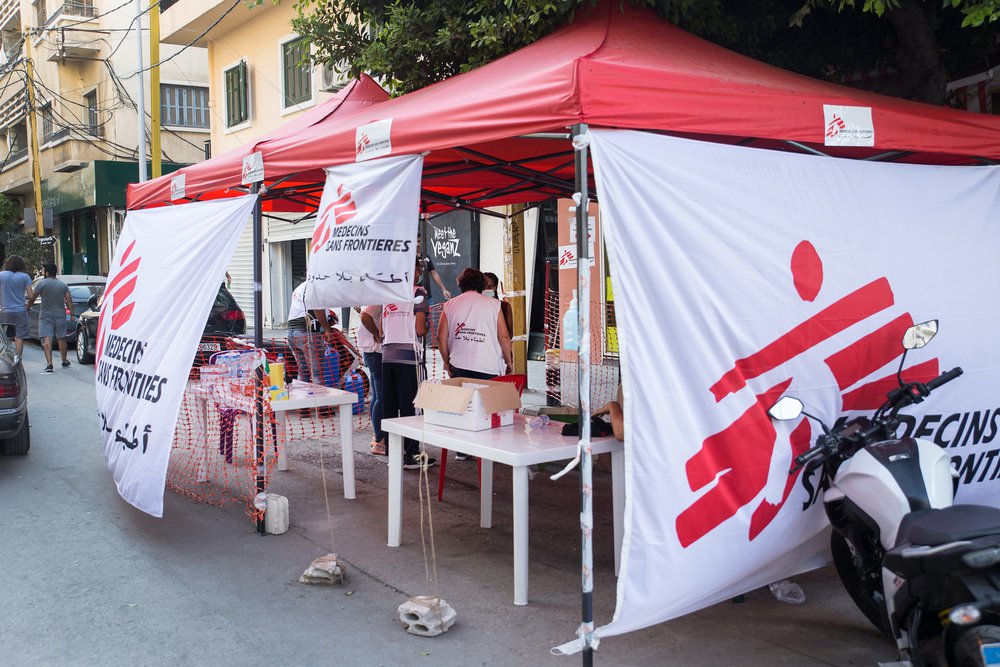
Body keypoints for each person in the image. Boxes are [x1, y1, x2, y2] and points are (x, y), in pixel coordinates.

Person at [380, 258, 436, 469]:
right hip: (408, 356)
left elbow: (380, 328)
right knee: (410, 405)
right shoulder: (418, 293)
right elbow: (421, 329)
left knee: (390, 405)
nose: (420, 271)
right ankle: (411, 453)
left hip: (387, 354)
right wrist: (426, 327)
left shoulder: (388, 293)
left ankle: (392, 452)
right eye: (418, 268)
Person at [437, 268, 512, 380]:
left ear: (461, 284)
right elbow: (504, 337)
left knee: (463, 397)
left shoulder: (449, 305)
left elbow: (441, 338)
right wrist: (509, 361)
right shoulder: (494, 305)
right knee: (485, 397)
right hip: (488, 366)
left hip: (458, 365)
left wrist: (446, 362)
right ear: (482, 284)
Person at [287, 281, 335, 385]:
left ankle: (303, 399)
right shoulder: (315, 286)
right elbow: (317, 309)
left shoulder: (301, 286)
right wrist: (327, 328)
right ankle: (319, 400)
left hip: (292, 332)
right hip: (307, 333)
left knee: (303, 372)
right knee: (317, 373)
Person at [27, 263, 73, 372]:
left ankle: (49, 364)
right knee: (61, 338)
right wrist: (72, 312)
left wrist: (27, 307)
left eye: (43, 271)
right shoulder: (63, 285)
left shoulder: (41, 284)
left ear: (47, 272)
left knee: (47, 338)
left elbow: (33, 298)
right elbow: (69, 299)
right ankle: (64, 361)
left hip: (45, 316)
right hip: (60, 315)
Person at [357, 304, 385, 455]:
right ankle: (380, 441)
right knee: (381, 396)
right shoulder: (378, 295)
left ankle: (377, 435)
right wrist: (378, 334)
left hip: (372, 349)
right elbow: (365, 315)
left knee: (377, 395)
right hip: (375, 350)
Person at [0, 255, 34, 356]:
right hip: (20, 311)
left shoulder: (1, 275)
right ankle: (18, 360)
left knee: (5, 338)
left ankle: (8, 359)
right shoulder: (25, 276)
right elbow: (31, 296)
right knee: (19, 337)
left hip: (5, 311)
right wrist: (21, 296)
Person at [416, 233, 451, 304]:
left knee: (431, 314)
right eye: (415, 242)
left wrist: (444, 289)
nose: (417, 244)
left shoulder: (426, 256)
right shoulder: (408, 257)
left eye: (419, 241)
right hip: (414, 297)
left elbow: (434, 273)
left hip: (427, 296)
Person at [483, 272, 514, 339]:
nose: (485, 289)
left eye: (489, 286)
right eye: (483, 286)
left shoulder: (504, 306)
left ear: (495, 287)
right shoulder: (475, 306)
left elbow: (510, 335)